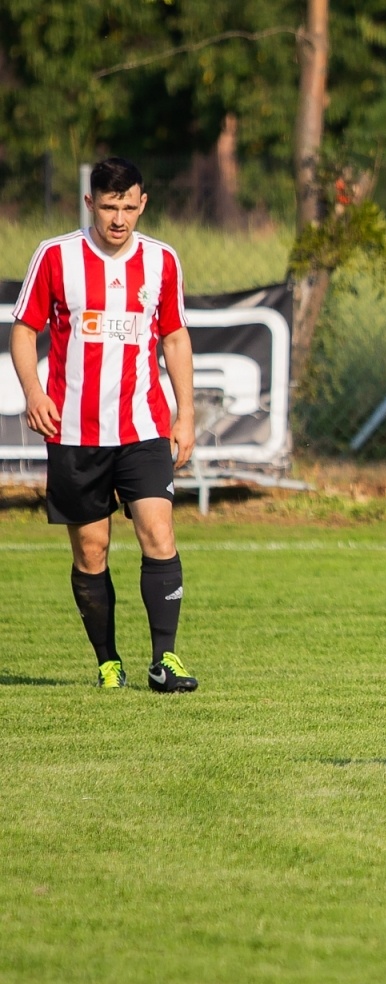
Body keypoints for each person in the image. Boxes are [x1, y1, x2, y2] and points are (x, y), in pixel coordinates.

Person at [9, 157, 199, 692]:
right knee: (91, 551)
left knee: (158, 534)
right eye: (109, 207)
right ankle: (107, 661)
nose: (119, 219)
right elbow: (24, 331)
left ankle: (166, 661)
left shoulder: (162, 261)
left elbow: (175, 337)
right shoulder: (55, 256)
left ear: (143, 204)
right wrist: (34, 392)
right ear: (90, 203)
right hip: (74, 432)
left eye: (129, 207)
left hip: (142, 427)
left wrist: (184, 415)